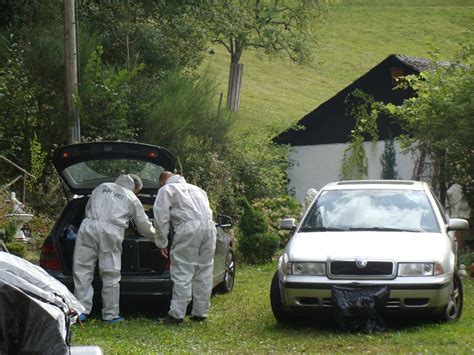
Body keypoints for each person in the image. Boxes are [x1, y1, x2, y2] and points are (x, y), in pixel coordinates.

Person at [73, 174, 158, 323]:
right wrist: (159, 239)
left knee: (82, 269)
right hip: (111, 232)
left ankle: (80, 311)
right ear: (135, 187)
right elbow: (143, 225)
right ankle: (110, 315)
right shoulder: (131, 197)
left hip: (88, 226)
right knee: (110, 273)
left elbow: (88, 208)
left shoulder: (101, 187)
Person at [153, 171, 216, 324]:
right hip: (209, 229)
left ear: (162, 182)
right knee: (204, 271)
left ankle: (176, 315)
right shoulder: (198, 189)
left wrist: (162, 242)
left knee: (183, 271)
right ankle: (200, 313)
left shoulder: (166, 190)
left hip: (188, 229)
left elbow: (161, 218)